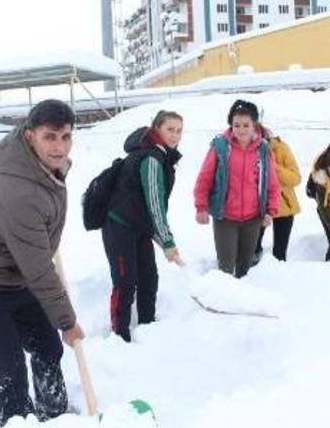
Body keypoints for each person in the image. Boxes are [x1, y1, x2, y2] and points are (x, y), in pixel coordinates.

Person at [0, 99, 84, 426]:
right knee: (11, 370)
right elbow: (38, 268)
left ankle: (56, 418)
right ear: (29, 136)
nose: (59, 146)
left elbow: (36, 249)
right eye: (50, 137)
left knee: (48, 348)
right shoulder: (18, 191)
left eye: (65, 137)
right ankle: (17, 425)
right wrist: (67, 321)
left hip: (14, 275)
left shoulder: (45, 169)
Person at [102, 111, 184, 342]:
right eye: (170, 129)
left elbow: (152, 207)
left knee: (149, 277)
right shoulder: (151, 159)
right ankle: (120, 334)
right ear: (156, 128)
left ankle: (149, 326)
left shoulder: (161, 155)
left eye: (179, 130)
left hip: (138, 225)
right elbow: (155, 203)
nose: (175, 135)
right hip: (119, 225)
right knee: (125, 281)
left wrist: (162, 238)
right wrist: (167, 241)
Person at [194, 99, 280, 278]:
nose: (241, 129)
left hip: (253, 217)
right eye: (236, 125)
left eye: (246, 125)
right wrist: (201, 206)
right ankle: (221, 301)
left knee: (245, 267)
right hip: (225, 217)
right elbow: (205, 177)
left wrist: (270, 211)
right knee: (225, 266)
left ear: (254, 125)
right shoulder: (221, 146)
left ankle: (240, 303)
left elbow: (271, 182)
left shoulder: (263, 148)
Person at [254, 125, 301, 263]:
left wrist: (273, 168)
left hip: (284, 206)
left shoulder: (281, 148)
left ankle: (279, 279)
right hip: (257, 209)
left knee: (280, 253)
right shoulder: (245, 152)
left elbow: (295, 178)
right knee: (252, 249)